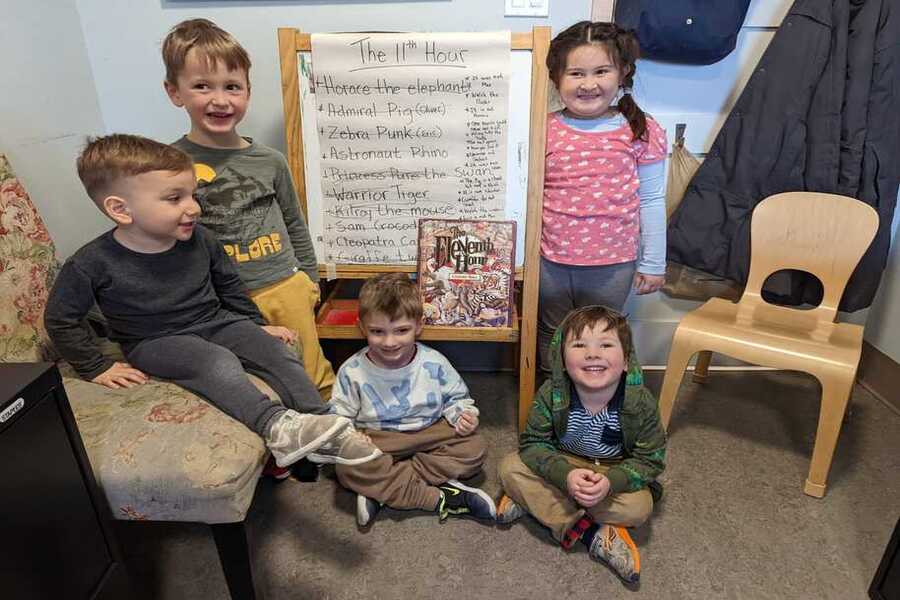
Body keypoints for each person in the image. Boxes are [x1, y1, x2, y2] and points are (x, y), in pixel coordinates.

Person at [44, 134, 382, 473]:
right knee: (216, 361)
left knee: (273, 349)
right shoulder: (92, 262)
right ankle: (278, 428)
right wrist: (95, 366)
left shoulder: (201, 239)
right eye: (174, 198)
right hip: (154, 341)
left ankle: (324, 425)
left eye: (192, 195)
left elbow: (230, 286)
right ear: (121, 209)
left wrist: (255, 326)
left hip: (215, 321)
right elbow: (61, 318)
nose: (193, 207)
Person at [161, 18, 336, 402]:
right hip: (222, 297)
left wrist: (308, 280)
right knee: (253, 377)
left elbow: (294, 220)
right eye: (202, 86)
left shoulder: (269, 161)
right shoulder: (171, 165)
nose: (220, 99)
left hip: (284, 284)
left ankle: (327, 434)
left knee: (310, 368)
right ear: (175, 92)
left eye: (232, 87)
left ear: (248, 92)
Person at [496, 305, 666, 585]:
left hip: (613, 470)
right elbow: (533, 444)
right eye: (579, 344)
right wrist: (565, 475)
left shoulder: (641, 403)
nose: (593, 354)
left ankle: (535, 502)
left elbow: (650, 460)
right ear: (561, 360)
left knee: (640, 507)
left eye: (606, 344)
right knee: (509, 467)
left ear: (626, 360)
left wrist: (611, 482)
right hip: (562, 462)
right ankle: (591, 532)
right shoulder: (552, 394)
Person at [538, 21, 668, 372]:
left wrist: (654, 262)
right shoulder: (541, 128)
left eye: (601, 71)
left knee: (603, 336)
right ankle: (555, 400)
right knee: (554, 333)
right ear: (556, 78)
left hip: (613, 263)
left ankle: (602, 406)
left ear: (623, 72)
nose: (588, 84)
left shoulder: (641, 130)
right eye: (576, 73)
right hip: (551, 259)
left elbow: (653, 200)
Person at [330, 273, 495, 527]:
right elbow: (338, 416)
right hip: (378, 437)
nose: (389, 342)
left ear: (418, 325)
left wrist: (462, 415)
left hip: (430, 431)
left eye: (401, 331)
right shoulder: (352, 370)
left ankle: (383, 489)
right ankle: (439, 497)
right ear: (361, 327)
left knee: (475, 448)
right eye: (377, 332)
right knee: (346, 465)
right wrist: (351, 436)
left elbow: (457, 398)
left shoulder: (434, 362)